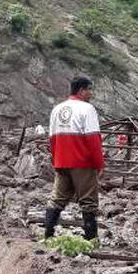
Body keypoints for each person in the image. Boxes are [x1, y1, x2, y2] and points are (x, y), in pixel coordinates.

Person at [44, 77, 105, 241]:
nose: (91, 94)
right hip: (82, 162)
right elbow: (93, 139)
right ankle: (91, 240)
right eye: (89, 90)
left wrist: (55, 161)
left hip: (62, 161)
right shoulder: (87, 109)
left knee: (57, 199)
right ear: (81, 90)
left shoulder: (57, 109)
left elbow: (52, 138)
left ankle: (47, 236)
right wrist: (99, 164)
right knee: (88, 202)